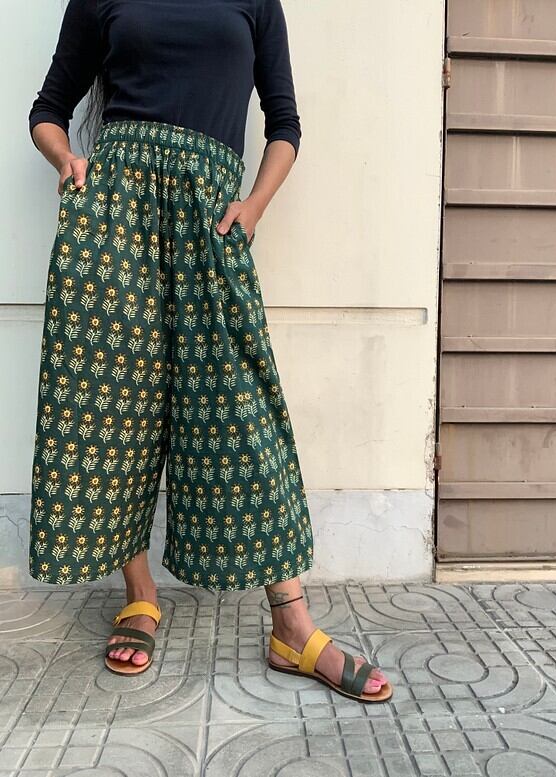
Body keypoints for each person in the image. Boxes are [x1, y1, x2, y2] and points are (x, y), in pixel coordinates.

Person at [27, 0, 392, 703]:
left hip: (209, 219)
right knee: (113, 410)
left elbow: (284, 124)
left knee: (240, 409)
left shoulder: (254, 1)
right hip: (115, 219)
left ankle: (291, 624)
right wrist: (67, 160)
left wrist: (252, 207)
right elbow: (49, 109)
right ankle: (139, 593)